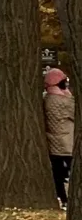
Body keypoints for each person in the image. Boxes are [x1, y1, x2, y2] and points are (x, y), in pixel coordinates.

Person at [44, 67, 74, 211]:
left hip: (53, 142)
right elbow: (74, 113)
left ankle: (63, 198)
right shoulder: (63, 101)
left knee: (58, 174)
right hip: (67, 141)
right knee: (71, 171)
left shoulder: (48, 99)